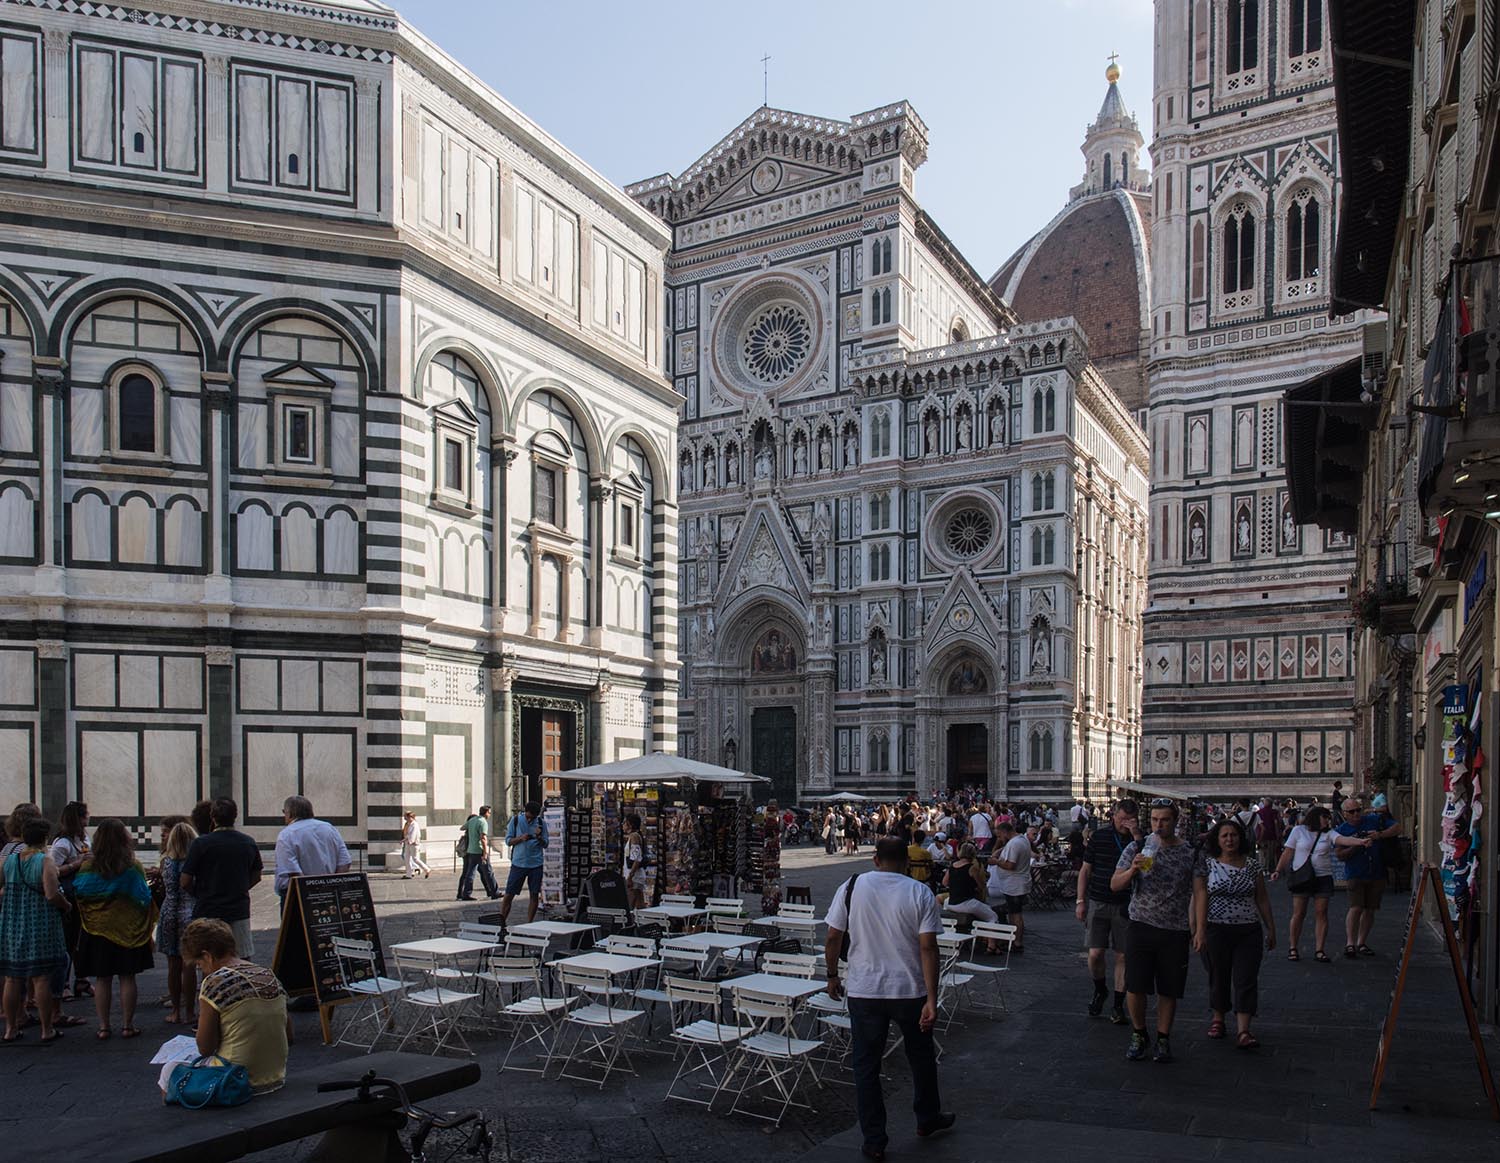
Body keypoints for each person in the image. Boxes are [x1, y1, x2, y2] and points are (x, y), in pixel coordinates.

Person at [825, 837, 954, 1160]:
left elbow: (832, 936)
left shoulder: (852, 886)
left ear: (875, 859)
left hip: (864, 990)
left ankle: (874, 1139)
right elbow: (928, 948)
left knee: (866, 1067)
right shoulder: (919, 891)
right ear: (907, 862)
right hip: (909, 991)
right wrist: (932, 998)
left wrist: (831, 975)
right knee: (921, 1058)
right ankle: (927, 1118)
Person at [1111, 799, 1199, 1063]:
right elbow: (1115, 884)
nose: (1159, 826)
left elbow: (1199, 891)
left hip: (1175, 929)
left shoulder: (1189, 852)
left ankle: (1163, 1037)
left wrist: (1198, 928)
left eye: (1165, 820)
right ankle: (1139, 1033)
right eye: (1155, 820)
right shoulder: (1137, 847)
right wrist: (1133, 869)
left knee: (1168, 988)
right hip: (1140, 924)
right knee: (1135, 985)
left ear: (1176, 822)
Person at [164, 918, 290, 1096]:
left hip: (235, 1079)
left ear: (207, 956)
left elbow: (205, 1048)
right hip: (276, 1076)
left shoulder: (215, 982)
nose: (203, 970)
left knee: (168, 1071)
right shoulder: (268, 975)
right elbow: (288, 1033)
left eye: (200, 965)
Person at [1192, 817, 1275, 1049]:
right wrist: (1198, 930)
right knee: (1218, 975)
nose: (1230, 839)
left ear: (1241, 838)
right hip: (1216, 928)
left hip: (1248, 929)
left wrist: (1271, 929)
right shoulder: (1207, 865)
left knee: (1246, 977)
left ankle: (1243, 1029)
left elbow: (1262, 898)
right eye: (1225, 835)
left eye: (1234, 835)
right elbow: (1199, 898)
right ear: (1217, 840)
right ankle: (1218, 1019)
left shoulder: (1253, 865)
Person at [73, 818, 156, 1040]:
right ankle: (128, 1026)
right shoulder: (132, 866)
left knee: (102, 978)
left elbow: (80, 892)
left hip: (97, 930)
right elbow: (143, 897)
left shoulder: (89, 866)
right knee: (128, 977)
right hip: (128, 930)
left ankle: (103, 1027)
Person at [0, 817, 70, 1043]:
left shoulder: (10, 860)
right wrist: (66, 905)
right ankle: (46, 1029)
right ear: (45, 838)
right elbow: (51, 894)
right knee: (41, 979)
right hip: (39, 923)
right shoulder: (44, 861)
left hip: (12, 922)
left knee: (12, 978)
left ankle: (10, 1029)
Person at [1077, 799, 1138, 1023]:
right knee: (1095, 954)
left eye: (1131, 820)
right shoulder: (1100, 837)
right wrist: (1080, 901)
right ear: (1114, 815)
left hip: (1127, 904)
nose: (1126, 824)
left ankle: (1118, 1004)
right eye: (1123, 819)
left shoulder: (1141, 840)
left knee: (1123, 955)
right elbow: (1085, 870)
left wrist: (1137, 837)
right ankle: (1100, 989)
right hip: (1099, 901)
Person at [181, 798, 263, 959]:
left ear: (213, 817)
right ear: (235, 816)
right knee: (241, 957)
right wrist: (241, 887)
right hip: (238, 908)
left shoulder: (201, 844)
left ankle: (213, 985)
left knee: (210, 959)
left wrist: (199, 892)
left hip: (208, 908)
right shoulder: (247, 842)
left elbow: (185, 880)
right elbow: (257, 875)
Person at [1333, 798, 1402, 958]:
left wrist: (1380, 835)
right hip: (1356, 873)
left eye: (1358, 810)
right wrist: (1357, 844)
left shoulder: (1374, 820)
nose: (1356, 814)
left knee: (1370, 909)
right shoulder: (1342, 830)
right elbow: (1340, 855)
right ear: (1345, 814)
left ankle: (1361, 942)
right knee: (1356, 907)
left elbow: (1397, 827)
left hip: (1377, 871)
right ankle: (1350, 942)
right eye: (1352, 812)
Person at [1272, 805, 1335, 962]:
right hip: (1302, 875)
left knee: (1322, 912)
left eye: (1329, 818)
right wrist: (1278, 870)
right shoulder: (1298, 831)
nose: (1328, 820)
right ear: (1316, 818)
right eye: (1325, 817)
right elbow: (1288, 852)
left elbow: (1341, 839)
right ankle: (1293, 947)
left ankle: (1319, 949)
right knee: (1299, 913)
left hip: (1323, 876)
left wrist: (1360, 842)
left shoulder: (1329, 833)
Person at [272, 795, 351, 910]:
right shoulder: (329, 828)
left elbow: (292, 872)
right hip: (330, 894)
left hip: (297, 897)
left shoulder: (287, 834)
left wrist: (309, 893)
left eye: (284, 812)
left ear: (289, 813)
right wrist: (332, 886)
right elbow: (344, 863)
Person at [156, 821, 198, 1026]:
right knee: (189, 965)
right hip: (190, 911)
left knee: (173, 964)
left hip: (169, 911)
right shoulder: (194, 862)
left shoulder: (166, 861)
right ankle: (190, 1012)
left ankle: (175, 1010)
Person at [51, 800, 90, 999]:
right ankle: (65, 983)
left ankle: (81, 979)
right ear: (79, 818)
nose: (89, 817)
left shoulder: (82, 839)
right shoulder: (62, 843)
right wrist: (77, 863)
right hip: (70, 895)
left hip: (84, 894)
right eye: (86, 815)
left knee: (81, 939)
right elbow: (53, 871)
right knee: (69, 939)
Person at [499, 802, 548, 925]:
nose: (530, 819)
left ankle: (530, 923)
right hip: (518, 863)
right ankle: (501, 922)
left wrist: (539, 837)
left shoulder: (541, 823)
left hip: (536, 864)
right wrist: (521, 838)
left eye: (533, 817)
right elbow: (508, 841)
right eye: (528, 816)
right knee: (509, 894)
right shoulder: (515, 821)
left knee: (534, 894)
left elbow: (546, 844)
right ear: (524, 812)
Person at [988, 820, 1031, 953]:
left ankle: (1017, 942)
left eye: (1000, 836)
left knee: (1016, 914)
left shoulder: (1014, 844)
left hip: (1015, 884)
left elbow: (1010, 865)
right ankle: (1014, 940)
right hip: (1016, 883)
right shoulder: (1021, 840)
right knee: (1013, 913)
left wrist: (996, 862)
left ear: (1005, 832)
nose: (999, 839)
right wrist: (1002, 847)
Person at [942, 843, 997, 925]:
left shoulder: (952, 866)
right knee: (993, 917)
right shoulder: (972, 868)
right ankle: (988, 936)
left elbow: (944, 882)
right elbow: (981, 885)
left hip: (951, 902)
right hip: (966, 903)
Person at [457, 806, 500, 901]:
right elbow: (483, 838)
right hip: (479, 851)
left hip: (471, 850)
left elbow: (462, 828)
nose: (490, 814)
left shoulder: (472, 820)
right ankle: (494, 892)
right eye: (489, 812)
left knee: (470, 873)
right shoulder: (483, 822)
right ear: (486, 813)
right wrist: (485, 852)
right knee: (488, 872)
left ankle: (466, 894)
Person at [622, 813, 647, 910]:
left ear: (630, 824)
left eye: (624, 823)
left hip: (634, 877)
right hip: (636, 876)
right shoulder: (634, 836)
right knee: (640, 905)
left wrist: (630, 877)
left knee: (629, 906)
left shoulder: (634, 836)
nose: (622, 825)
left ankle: (630, 924)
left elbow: (637, 858)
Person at [401, 811, 430, 879]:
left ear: (410, 817)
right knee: (406, 858)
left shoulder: (414, 824)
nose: (405, 818)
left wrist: (410, 841)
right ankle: (409, 874)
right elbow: (407, 834)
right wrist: (404, 840)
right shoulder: (408, 823)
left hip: (413, 844)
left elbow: (413, 834)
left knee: (415, 858)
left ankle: (426, 869)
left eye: (406, 816)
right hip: (408, 843)